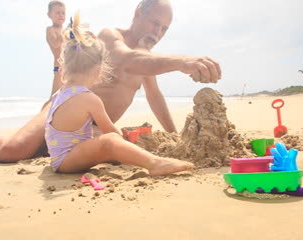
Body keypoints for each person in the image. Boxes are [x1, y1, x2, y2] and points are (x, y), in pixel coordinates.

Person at [0, 0, 221, 162]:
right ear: (138, 12)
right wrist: (182, 62)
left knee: (52, 153)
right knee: (12, 152)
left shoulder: (147, 58)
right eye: (154, 23)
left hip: (94, 129)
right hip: (62, 113)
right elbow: (126, 60)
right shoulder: (111, 35)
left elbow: (154, 97)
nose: (158, 32)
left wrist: (174, 136)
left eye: (164, 28)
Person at [42, 13, 193, 176]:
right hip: (68, 160)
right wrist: (128, 144)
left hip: (61, 157)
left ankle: (136, 158)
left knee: (108, 147)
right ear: (98, 71)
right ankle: (155, 163)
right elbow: (111, 133)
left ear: (64, 70)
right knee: (111, 142)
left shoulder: (60, 93)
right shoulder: (90, 99)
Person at [46, 1, 66, 97]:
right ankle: (49, 111)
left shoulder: (67, 31)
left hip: (71, 69)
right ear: (49, 15)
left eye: (63, 13)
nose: (61, 15)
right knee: (55, 96)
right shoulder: (50, 29)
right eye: (57, 13)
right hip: (59, 68)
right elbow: (56, 44)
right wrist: (64, 32)